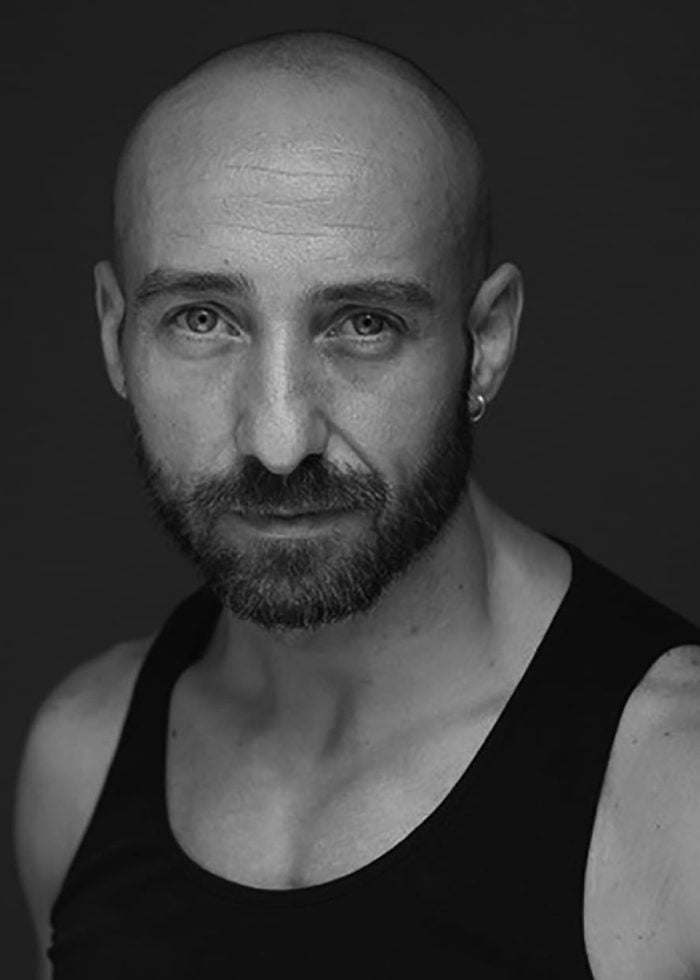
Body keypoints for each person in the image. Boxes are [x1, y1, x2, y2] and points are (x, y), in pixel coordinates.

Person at [13, 28, 700, 980]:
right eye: (202, 320)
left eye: (365, 325)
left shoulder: (676, 796)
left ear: (486, 343)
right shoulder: (79, 759)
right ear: (114, 336)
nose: (280, 437)